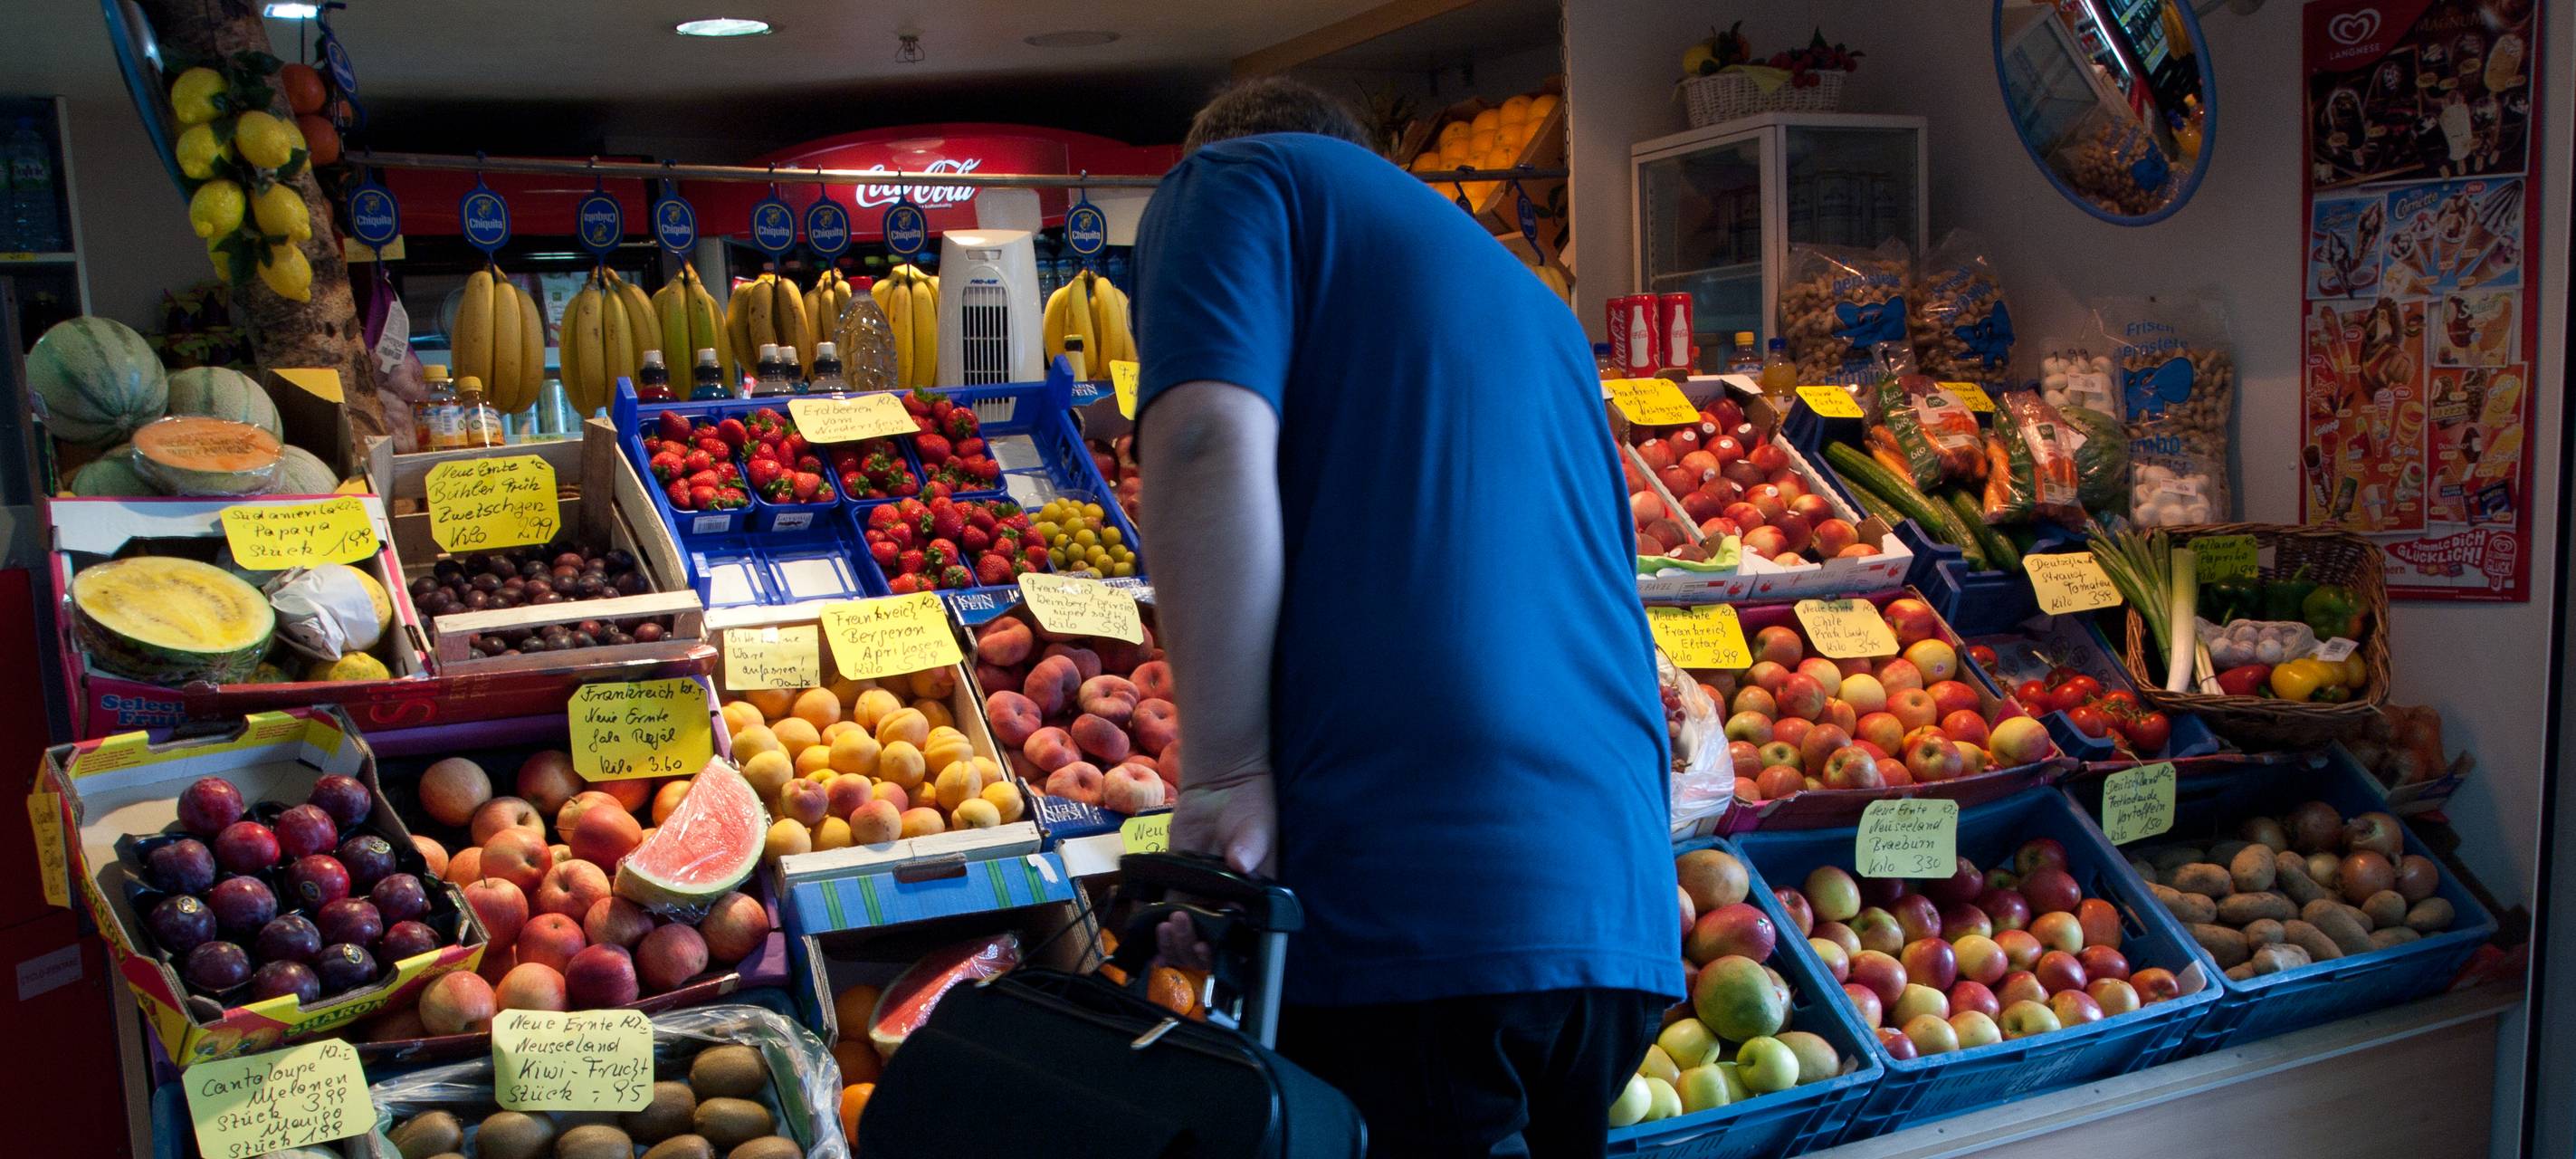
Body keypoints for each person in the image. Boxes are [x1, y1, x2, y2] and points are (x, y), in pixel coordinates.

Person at [1129, 76, 1679, 1157]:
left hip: (1419, 896)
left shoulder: (1237, 180)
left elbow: (1199, 437)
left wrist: (1223, 774)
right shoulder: (1536, 305)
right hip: (1614, 905)